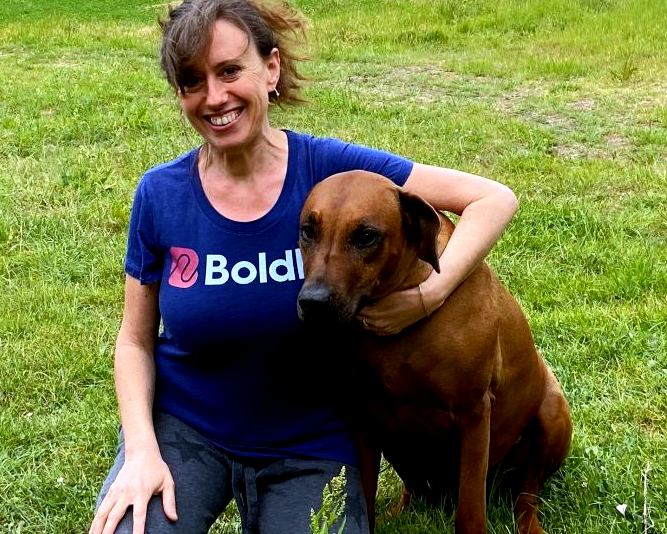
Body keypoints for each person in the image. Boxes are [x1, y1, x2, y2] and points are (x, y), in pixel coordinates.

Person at [89, 0, 519, 533]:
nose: (214, 96)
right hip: (186, 429)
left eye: (230, 71)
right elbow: (134, 342)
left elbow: (493, 199)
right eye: (192, 81)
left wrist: (428, 295)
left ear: (270, 69)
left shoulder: (331, 172)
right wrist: (140, 451)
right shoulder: (160, 193)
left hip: (311, 442)